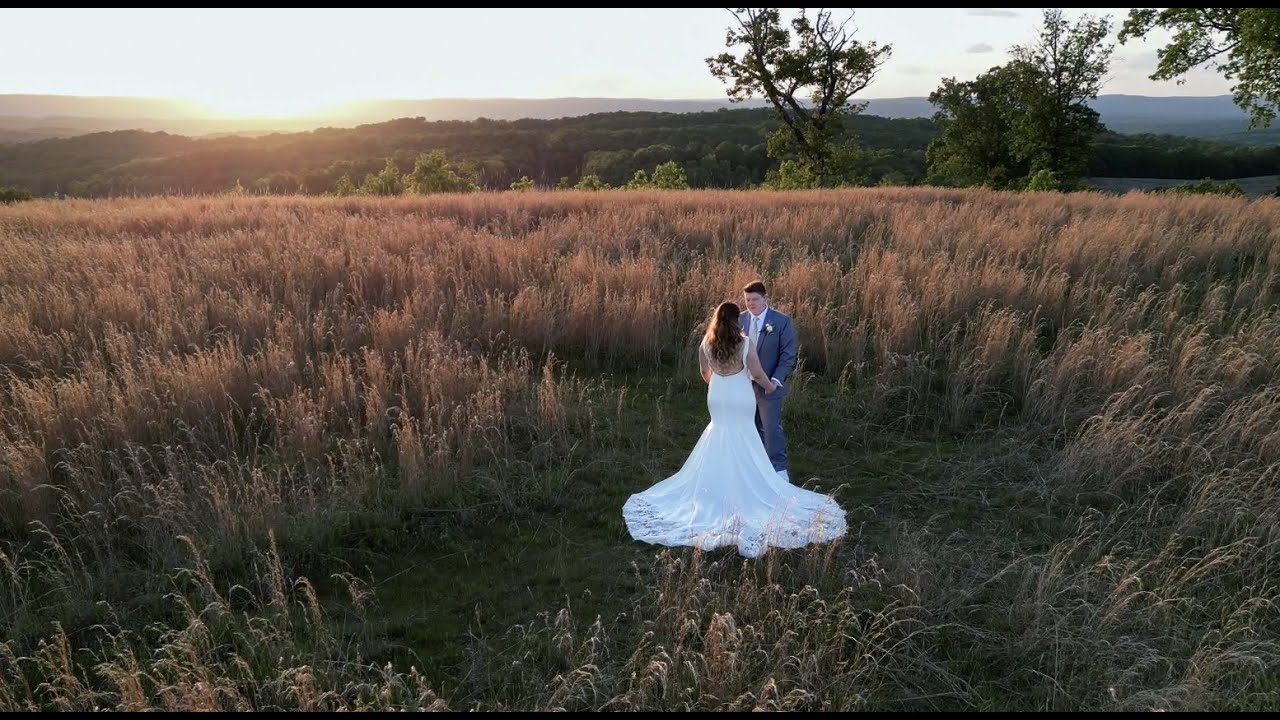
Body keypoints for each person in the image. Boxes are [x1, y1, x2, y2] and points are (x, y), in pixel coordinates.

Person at [621, 301, 845, 558]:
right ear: (737, 320)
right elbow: (758, 373)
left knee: (718, 434)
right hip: (740, 397)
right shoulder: (744, 342)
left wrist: (719, 382)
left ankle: (715, 490)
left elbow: (705, 374)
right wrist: (770, 387)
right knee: (744, 437)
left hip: (717, 395)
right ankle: (745, 486)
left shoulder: (706, 343)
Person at [740, 280, 796, 481]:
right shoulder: (740, 320)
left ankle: (778, 470)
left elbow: (788, 355)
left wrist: (775, 380)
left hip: (769, 386)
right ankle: (754, 467)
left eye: (755, 299)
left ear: (765, 298)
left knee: (771, 428)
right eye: (747, 300)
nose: (751, 303)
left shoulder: (781, 321)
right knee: (748, 426)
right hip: (743, 385)